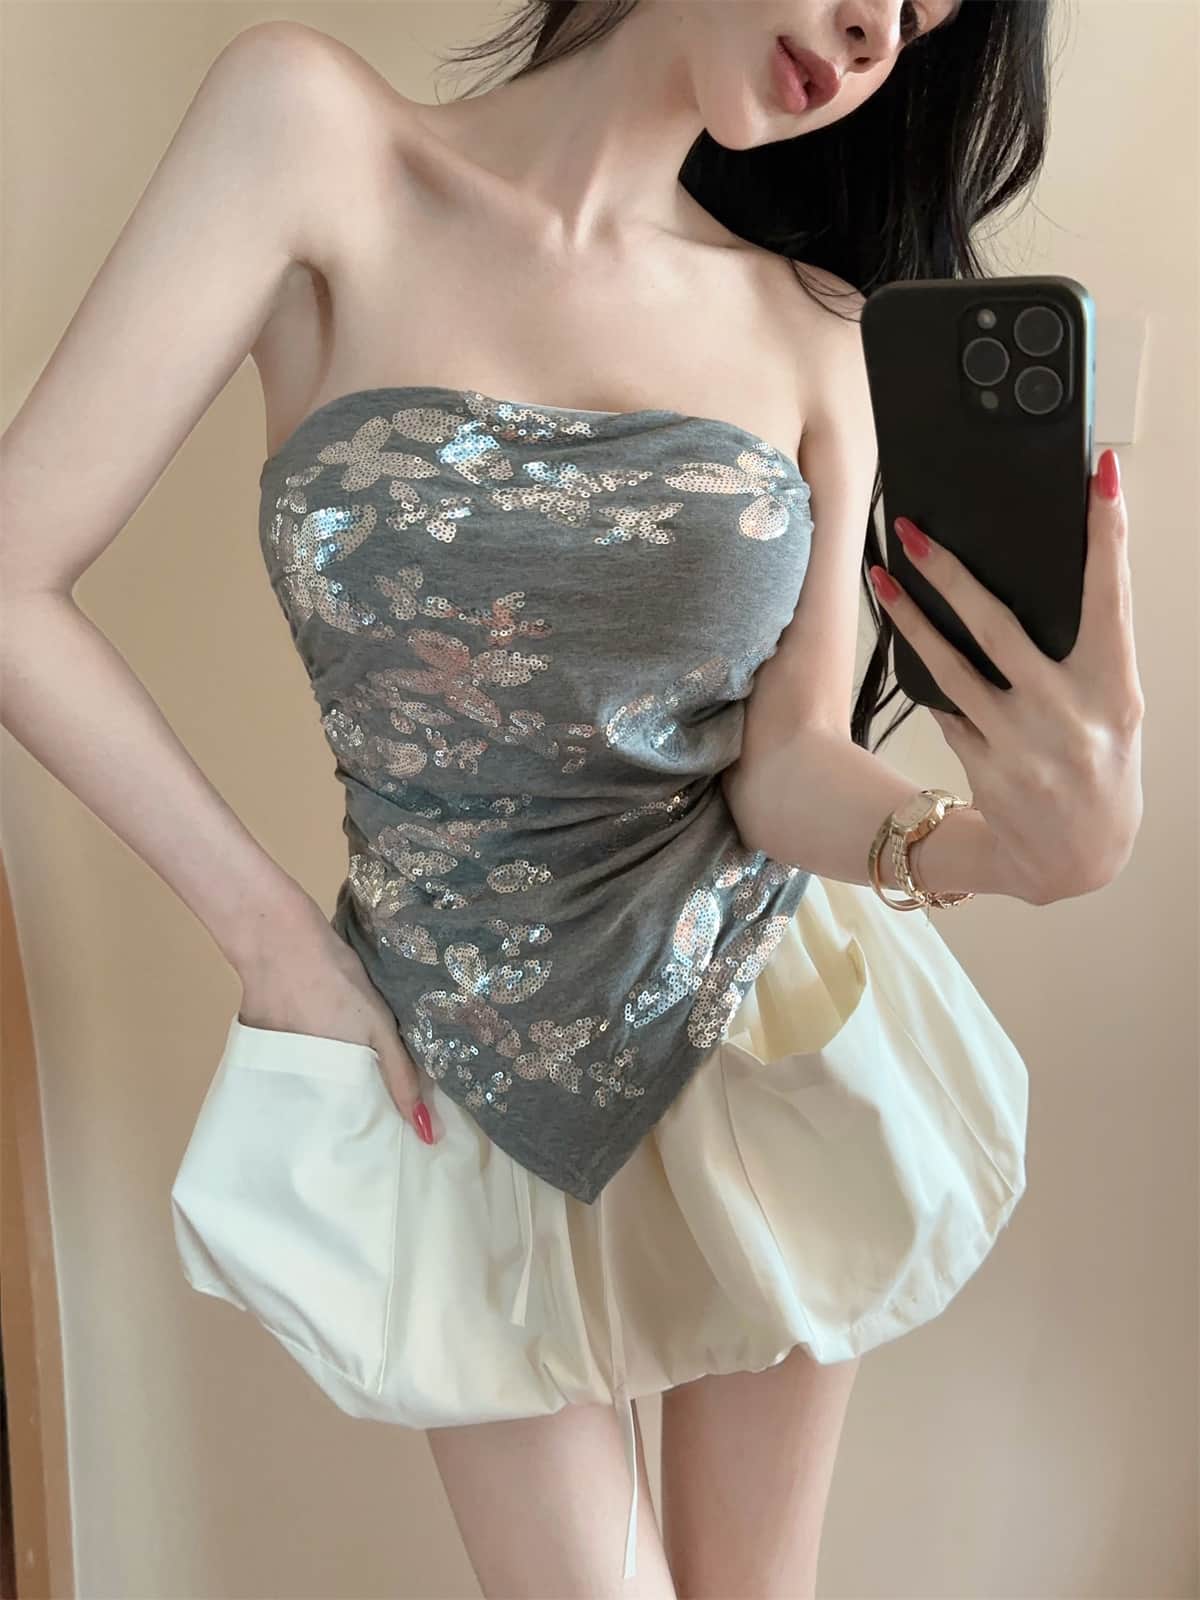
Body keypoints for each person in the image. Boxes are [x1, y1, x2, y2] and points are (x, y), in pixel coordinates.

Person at [0, 3, 1144, 1596]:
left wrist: (989, 849)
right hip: (448, 1042)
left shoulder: (818, 329)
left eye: (926, 14)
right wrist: (277, 945)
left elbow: (785, 765)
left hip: (755, 1015)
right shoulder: (309, 137)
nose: (878, 26)